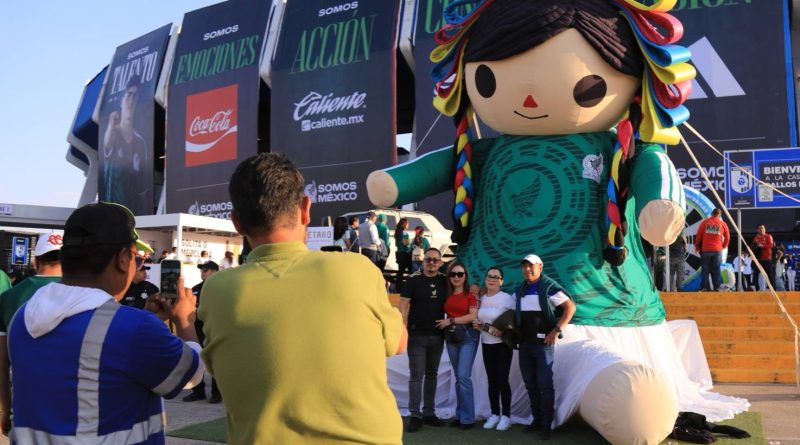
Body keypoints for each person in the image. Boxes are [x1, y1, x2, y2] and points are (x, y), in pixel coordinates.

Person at [198, 153, 406, 444]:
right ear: (306, 209)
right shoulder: (358, 269)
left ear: (237, 223)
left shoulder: (216, 290)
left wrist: (183, 322)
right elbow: (398, 343)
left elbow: (214, 364)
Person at [7, 202, 203, 444]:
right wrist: (185, 321)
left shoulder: (23, 317)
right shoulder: (133, 328)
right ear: (123, 259)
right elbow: (191, 376)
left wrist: (149, 320)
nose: (136, 266)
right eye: (137, 259)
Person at [0, 230, 64, 435]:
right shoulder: (82, 291)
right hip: (71, 402)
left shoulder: (10, 296)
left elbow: (1, 361)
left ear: (36, 261)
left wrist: (4, 410)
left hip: (25, 403)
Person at [514, 254, 576, 440]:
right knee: (531, 385)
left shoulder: (549, 287)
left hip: (543, 346)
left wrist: (556, 330)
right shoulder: (520, 289)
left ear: (540, 266)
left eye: (531, 266)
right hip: (524, 344)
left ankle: (547, 424)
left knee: (545, 385)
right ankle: (537, 420)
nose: (527, 269)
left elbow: (570, 308)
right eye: (524, 266)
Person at [399, 247, 448, 433]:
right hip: (416, 336)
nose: (432, 263)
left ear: (441, 262)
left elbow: (461, 289)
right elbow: (403, 306)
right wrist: (402, 329)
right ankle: (415, 415)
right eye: (428, 259)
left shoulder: (444, 281)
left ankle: (429, 413)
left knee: (432, 375)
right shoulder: (413, 280)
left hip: (437, 336)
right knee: (416, 377)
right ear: (423, 260)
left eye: (435, 260)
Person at [436, 261, 478, 429]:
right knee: (458, 378)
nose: (456, 277)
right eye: (453, 274)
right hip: (451, 337)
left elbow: (472, 316)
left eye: (460, 274)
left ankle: (468, 418)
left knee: (463, 376)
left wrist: (450, 320)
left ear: (465, 277)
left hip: (468, 336)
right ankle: (461, 415)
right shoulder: (446, 293)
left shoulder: (471, 295)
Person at [473, 267, 515, 431]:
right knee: (492, 381)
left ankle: (506, 416)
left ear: (501, 281)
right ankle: (494, 414)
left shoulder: (506, 299)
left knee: (502, 380)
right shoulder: (481, 298)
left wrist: (504, 330)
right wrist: (479, 326)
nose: (492, 279)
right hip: (486, 344)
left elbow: (514, 321)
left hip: (502, 345)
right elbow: (478, 320)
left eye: (496, 277)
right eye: (489, 276)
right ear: (485, 279)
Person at [101, 74, 150, 213]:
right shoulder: (113, 132)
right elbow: (107, 142)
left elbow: (142, 188)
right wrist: (111, 124)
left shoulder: (141, 143)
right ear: (122, 100)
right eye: (128, 94)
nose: (131, 99)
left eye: (135, 95)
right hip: (112, 214)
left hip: (132, 215)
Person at [185, 261, 222, 404]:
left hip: (215, 327)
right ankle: (198, 391)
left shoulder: (222, 288)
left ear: (214, 271)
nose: (202, 273)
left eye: (205, 270)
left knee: (214, 361)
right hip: (197, 328)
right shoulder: (195, 289)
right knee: (195, 359)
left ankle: (216, 393)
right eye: (201, 271)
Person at [695, 209, 730, 291]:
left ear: (712, 214)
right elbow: (727, 237)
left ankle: (705, 288)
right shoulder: (722, 223)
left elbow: (698, 236)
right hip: (717, 250)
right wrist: (723, 246)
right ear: (719, 215)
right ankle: (717, 287)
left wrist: (697, 247)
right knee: (717, 269)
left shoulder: (704, 223)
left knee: (705, 269)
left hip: (706, 250)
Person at [752, 225, 775, 290]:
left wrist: (762, 245)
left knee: (770, 274)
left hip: (767, 258)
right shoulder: (756, 238)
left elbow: (771, 245)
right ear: (757, 230)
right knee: (756, 273)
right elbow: (753, 246)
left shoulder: (768, 236)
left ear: (765, 229)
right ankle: (756, 288)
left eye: (762, 228)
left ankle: (773, 288)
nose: (761, 230)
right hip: (758, 259)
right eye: (760, 228)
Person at [393, 218, 412, 292]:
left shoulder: (397, 232)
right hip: (405, 253)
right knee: (411, 271)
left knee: (400, 272)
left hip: (399, 253)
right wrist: (410, 242)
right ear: (405, 224)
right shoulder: (404, 232)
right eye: (408, 223)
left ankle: (398, 287)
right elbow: (405, 243)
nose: (408, 225)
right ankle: (411, 287)